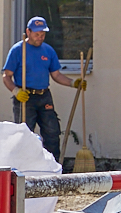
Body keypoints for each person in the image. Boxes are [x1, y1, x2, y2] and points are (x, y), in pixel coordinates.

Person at [2, 17, 85, 162]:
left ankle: (53, 167)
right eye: (37, 34)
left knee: (52, 131)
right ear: (28, 32)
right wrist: (16, 91)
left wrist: (73, 83)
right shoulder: (18, 50)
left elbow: (56, 75)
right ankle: (24, 167)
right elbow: (6, 76)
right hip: (25, 97)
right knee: (25, 134)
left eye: (43, 34)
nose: (40, 37)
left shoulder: (48, 51)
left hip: (44, 96)